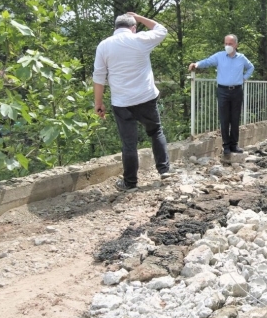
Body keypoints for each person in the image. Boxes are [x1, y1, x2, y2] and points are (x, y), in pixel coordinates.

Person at [93, 12, 174, 192]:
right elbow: (162, 29)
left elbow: (99, 77)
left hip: (121, 102)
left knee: (129, 143)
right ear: (133, 28)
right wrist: (139, 17)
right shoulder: (141, 39)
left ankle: (130, 183)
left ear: (115, 28)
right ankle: (164, 170)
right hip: (146, 98)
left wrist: (98, 103)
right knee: (155, 131)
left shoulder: (104, 46)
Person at [189, 35, 254, 155]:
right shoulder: (219, 56)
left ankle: (234, 145)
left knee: (235, 118)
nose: (228, 46)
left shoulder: (241, 58)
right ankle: (226, 146)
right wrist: (197, 64)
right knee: (224, 118)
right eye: (226, 43)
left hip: (237, 90)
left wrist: (244, 78)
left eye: (230, 43)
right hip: (223, 91)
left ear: (236, 45)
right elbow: (207, 62)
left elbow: (251, 67)